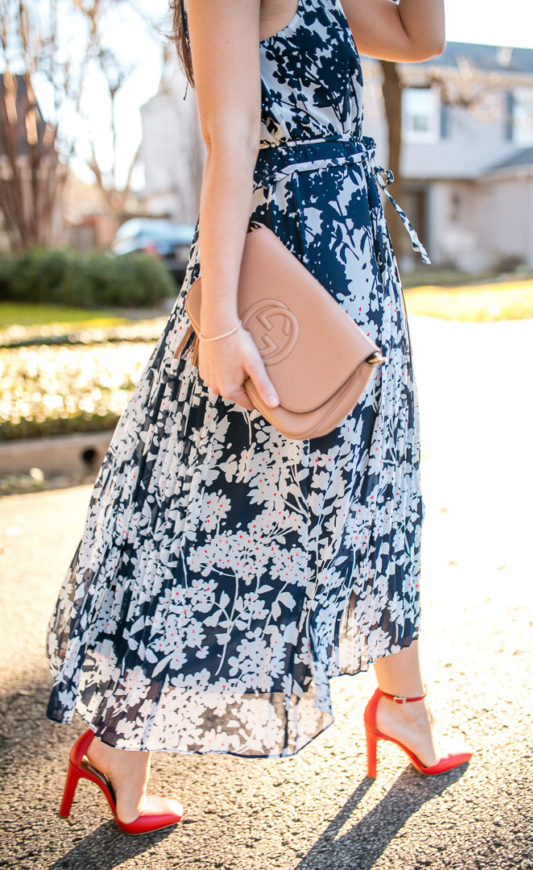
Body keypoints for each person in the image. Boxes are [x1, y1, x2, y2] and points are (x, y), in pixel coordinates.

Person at [46, 0, 471, 835]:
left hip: (355, 266)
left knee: (373, 488)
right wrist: (221, 326)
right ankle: (118, 746)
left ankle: (404, 706)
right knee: (208, 514)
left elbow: (422, 38)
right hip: (280, 277)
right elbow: (230, 139)